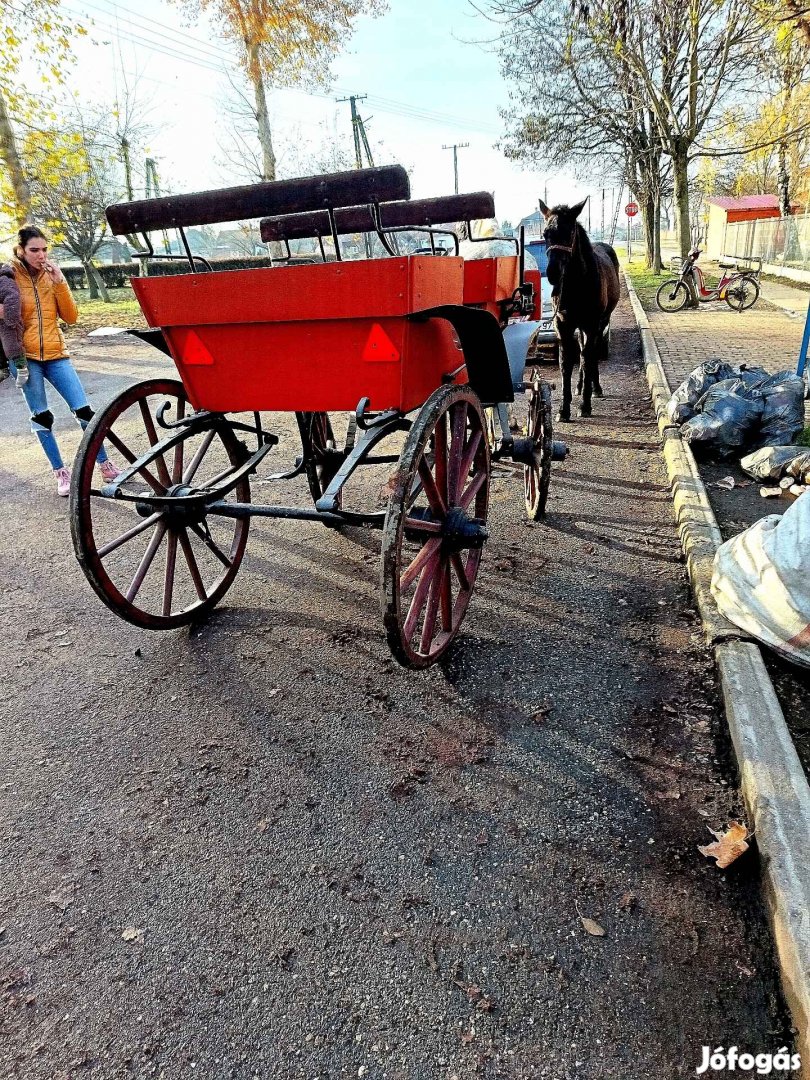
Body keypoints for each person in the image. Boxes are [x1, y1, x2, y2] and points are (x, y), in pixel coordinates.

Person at [4, 225, 120, 496]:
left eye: (44, 249)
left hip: (56, 354)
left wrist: (59, 282)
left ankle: (104, 464)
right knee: (42, 417)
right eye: (34, 250)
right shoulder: (8, 275)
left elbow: (70, 317)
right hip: (25, 356)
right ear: (20, 250)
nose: (40, 255)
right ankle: (60, 472)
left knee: (84, 412)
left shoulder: (50, 275)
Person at [0, 263, 28, 386]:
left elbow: (12, 297)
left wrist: (10, 318)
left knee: (12, 345)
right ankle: (3, 368)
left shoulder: (4, 280)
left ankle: (22, 368)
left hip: (9, 323)